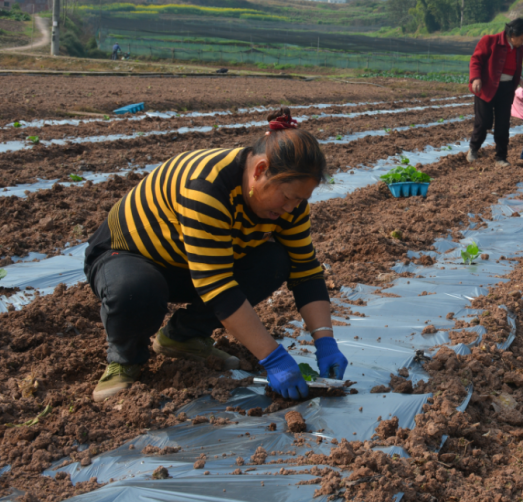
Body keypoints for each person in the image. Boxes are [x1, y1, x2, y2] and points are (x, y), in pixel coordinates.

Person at [82, 108, 348, 403]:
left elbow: (305, 270)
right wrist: (273, 358)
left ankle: (182, 337)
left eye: (300, 199)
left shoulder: (291, 206)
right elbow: (217, 286)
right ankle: (125, 359)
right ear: (260, 170)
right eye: (287, 197)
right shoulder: (207, 185)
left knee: (275, 262)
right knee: (137, 290)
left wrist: (325, 342)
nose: (291, 208)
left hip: (192, 263)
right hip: (129, 256)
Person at [467, 17, 523, 167]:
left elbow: (513, 67)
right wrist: (476, 78)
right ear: (512, 35)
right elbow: (476, 60)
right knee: (483, 122)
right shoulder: (490, 41)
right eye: (522, 38)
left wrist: (520, 80)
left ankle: (501, 157)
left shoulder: (519, 49)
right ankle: (473, 149)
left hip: (506, 90)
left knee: (503, 125)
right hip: (486, 88)